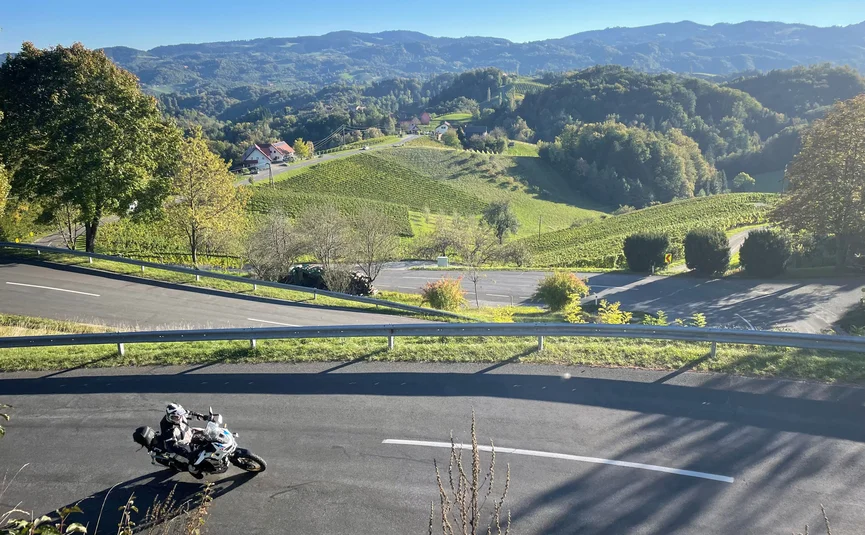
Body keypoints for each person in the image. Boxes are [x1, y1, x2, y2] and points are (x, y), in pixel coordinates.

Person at [161, 403, 205, 478]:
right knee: (192, 459)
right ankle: (192, 470)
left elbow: (190, 413)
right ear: (169, 416)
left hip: (188, 434)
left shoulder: (180, 414)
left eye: (179, 416)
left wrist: (203, 416)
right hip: (179, 444)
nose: (178, 419)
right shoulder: (168, 429)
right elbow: (172, 445)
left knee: (205, 434)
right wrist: (186, 454)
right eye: (174, 417)